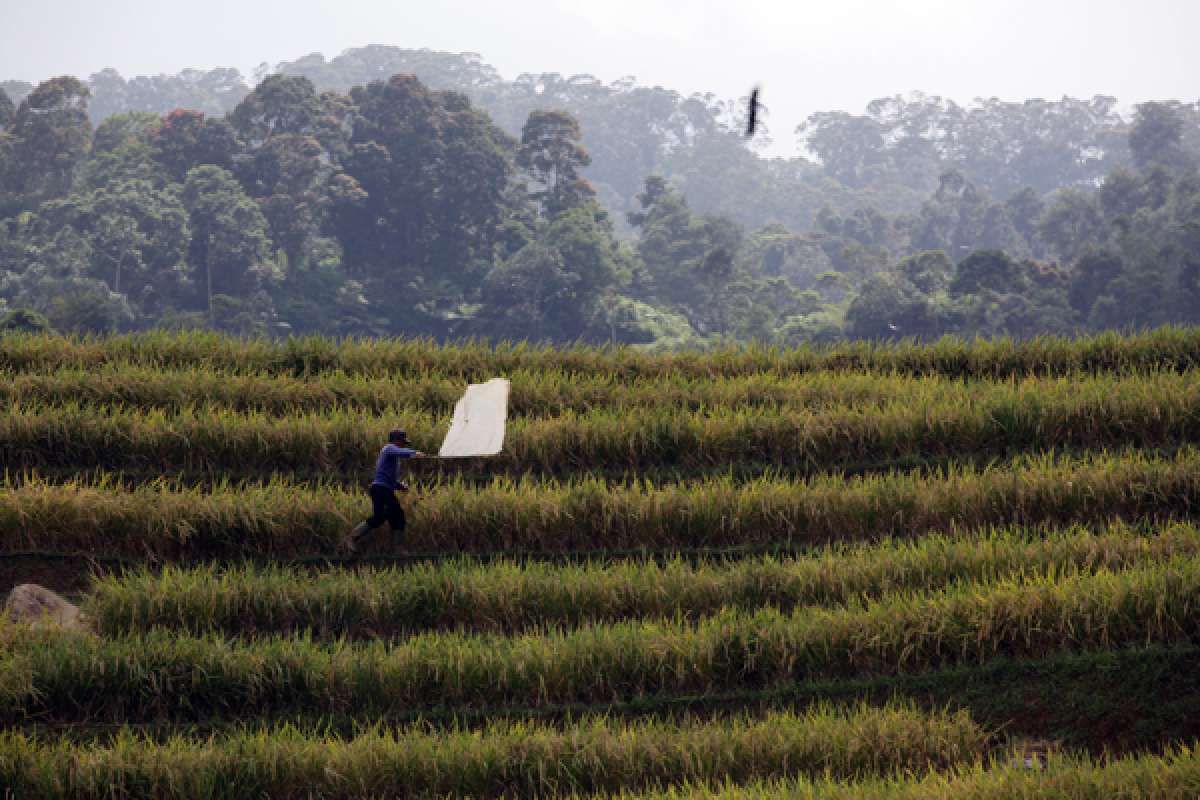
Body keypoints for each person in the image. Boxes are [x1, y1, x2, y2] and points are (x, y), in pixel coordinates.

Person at [344, 428, 426, 552]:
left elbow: (388, 478)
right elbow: (400, 452)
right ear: (396, 440)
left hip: (382, 489)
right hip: (381, 489)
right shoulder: (388, 449)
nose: (403, 444)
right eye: (402, 442)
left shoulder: (393, 458)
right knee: (396, 515)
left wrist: (400, 486)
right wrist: (414, 453)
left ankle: (354, 538)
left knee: (383, 517)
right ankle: (397, 547)